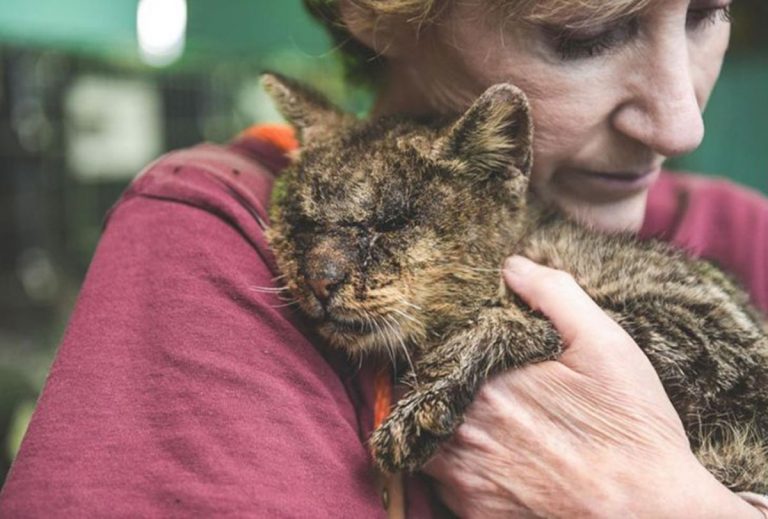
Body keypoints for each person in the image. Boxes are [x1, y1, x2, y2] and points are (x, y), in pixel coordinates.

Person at [1, 0, 767, 517]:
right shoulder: (214, 232)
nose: (680, 123)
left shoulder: (744, 230)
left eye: (710, 11)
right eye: (582, 32)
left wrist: (649, 500)